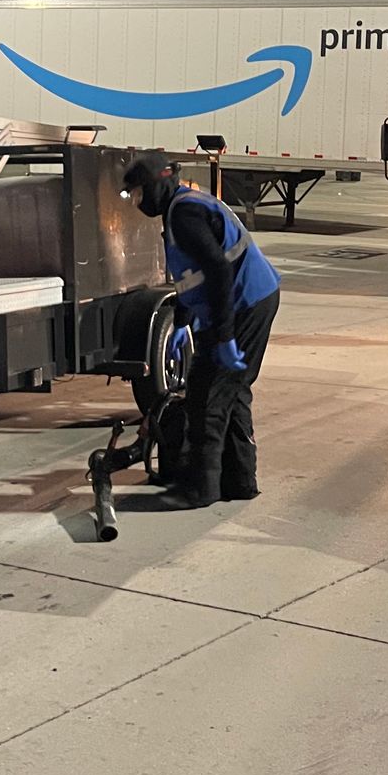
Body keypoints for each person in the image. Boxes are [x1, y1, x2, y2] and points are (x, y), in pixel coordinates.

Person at [122, 153, 281, 509]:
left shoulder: (184, 213)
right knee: (232, 389)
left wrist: (223, 336)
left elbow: (219, 271)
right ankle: (239, 481)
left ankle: (200, 490)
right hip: (251, 300)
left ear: (155, 186)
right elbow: (194, 273)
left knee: (207, 396)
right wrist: (182, 317)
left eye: (136, 194)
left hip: (245, 303)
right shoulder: (182, 206)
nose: (135, 203)